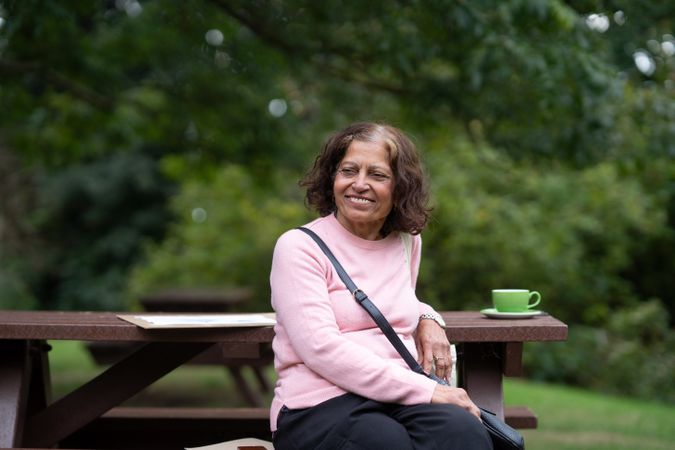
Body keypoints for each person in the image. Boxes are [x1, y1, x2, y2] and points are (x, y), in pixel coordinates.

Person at [270, 122, 492, 449]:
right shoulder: (299, 248)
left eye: (377, 175)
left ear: (400, 187)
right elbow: (321, 349)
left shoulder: (406, 242)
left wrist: (428, 318)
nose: (359, 184)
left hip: (396, 397)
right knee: (385, 443)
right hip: (318, 403)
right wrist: (429, 391)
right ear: (332, 178)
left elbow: (393, 301)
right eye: (348, 171)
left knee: (465, 433)